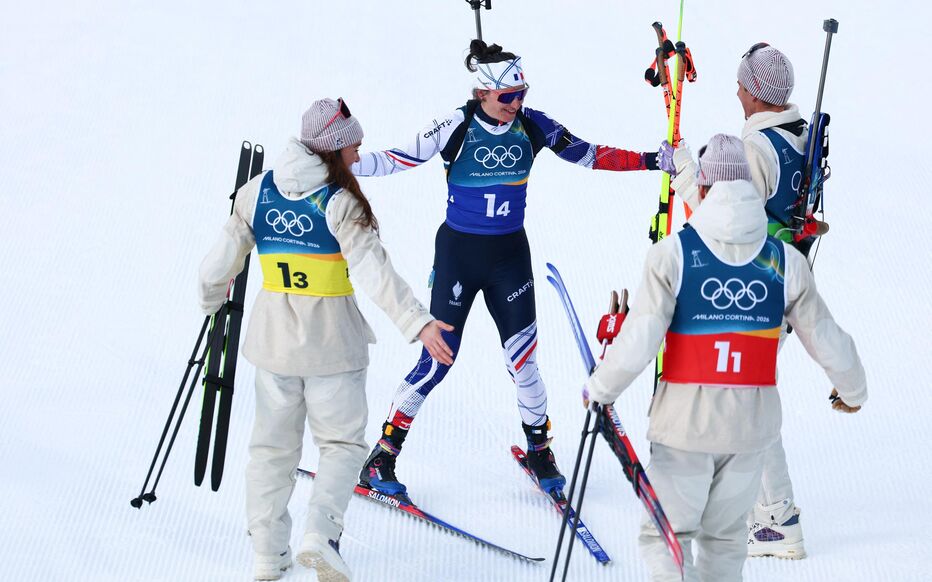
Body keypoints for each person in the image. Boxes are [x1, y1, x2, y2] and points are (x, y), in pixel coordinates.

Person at [352, 39, 676, 497]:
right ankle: (382, 457)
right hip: (459, 256)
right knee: (437, 360)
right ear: (482, 93)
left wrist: (651, 161)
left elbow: (588, 153)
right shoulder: (455, 126)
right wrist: (343, 165)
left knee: (524, 362)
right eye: (507, 96)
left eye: (522, 93)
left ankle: (540, 450)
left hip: (509, 258)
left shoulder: (533, 125)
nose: (516, 103)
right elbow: (395, 159)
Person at [584, 134, 866, 581]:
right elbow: (825, 334)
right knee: (725, 541)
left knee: (667, 537)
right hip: (749, 432)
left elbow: (641, 336)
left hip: (685, 428)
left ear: (703, 187)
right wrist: (853, 390)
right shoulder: (785, 261)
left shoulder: (672, 254)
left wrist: (600, 389)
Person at [197, 98, 454, 582]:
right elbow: (375, 272)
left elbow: (216, 266)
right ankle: (321, 535)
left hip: (273, 348)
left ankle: (268, 554)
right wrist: (417, 322)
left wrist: (211, 302)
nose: (359, 153)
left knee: (271, 451)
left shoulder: (257, 192)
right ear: (333, 149)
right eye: (354, 146)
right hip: (333, 349)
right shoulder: (339, 203)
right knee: (340, 445)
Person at [670, 44, 816, 558]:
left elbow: (720, 219)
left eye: (741, 84)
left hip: (752, 291)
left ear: (756, 93)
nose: (735, 91)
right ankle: (758, 507)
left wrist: (683, 171)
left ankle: (777, 520)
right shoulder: (798, 134)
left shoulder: (757, 149)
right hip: (781, 282)